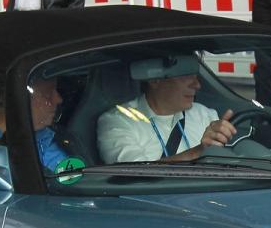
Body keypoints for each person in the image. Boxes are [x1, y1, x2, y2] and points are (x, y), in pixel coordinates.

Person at [96, 59, 236, 163]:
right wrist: (198, 152)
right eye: (186, 76)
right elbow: (135, 175)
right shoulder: (117, 121)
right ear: (155, 80)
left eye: (196, 76)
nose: (197, 85)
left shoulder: (204, 115)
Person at [0, 77, 72, 171]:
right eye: (48, 93)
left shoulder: (45, 137)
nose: (59, 99)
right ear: (17, 101)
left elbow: (71, 176)